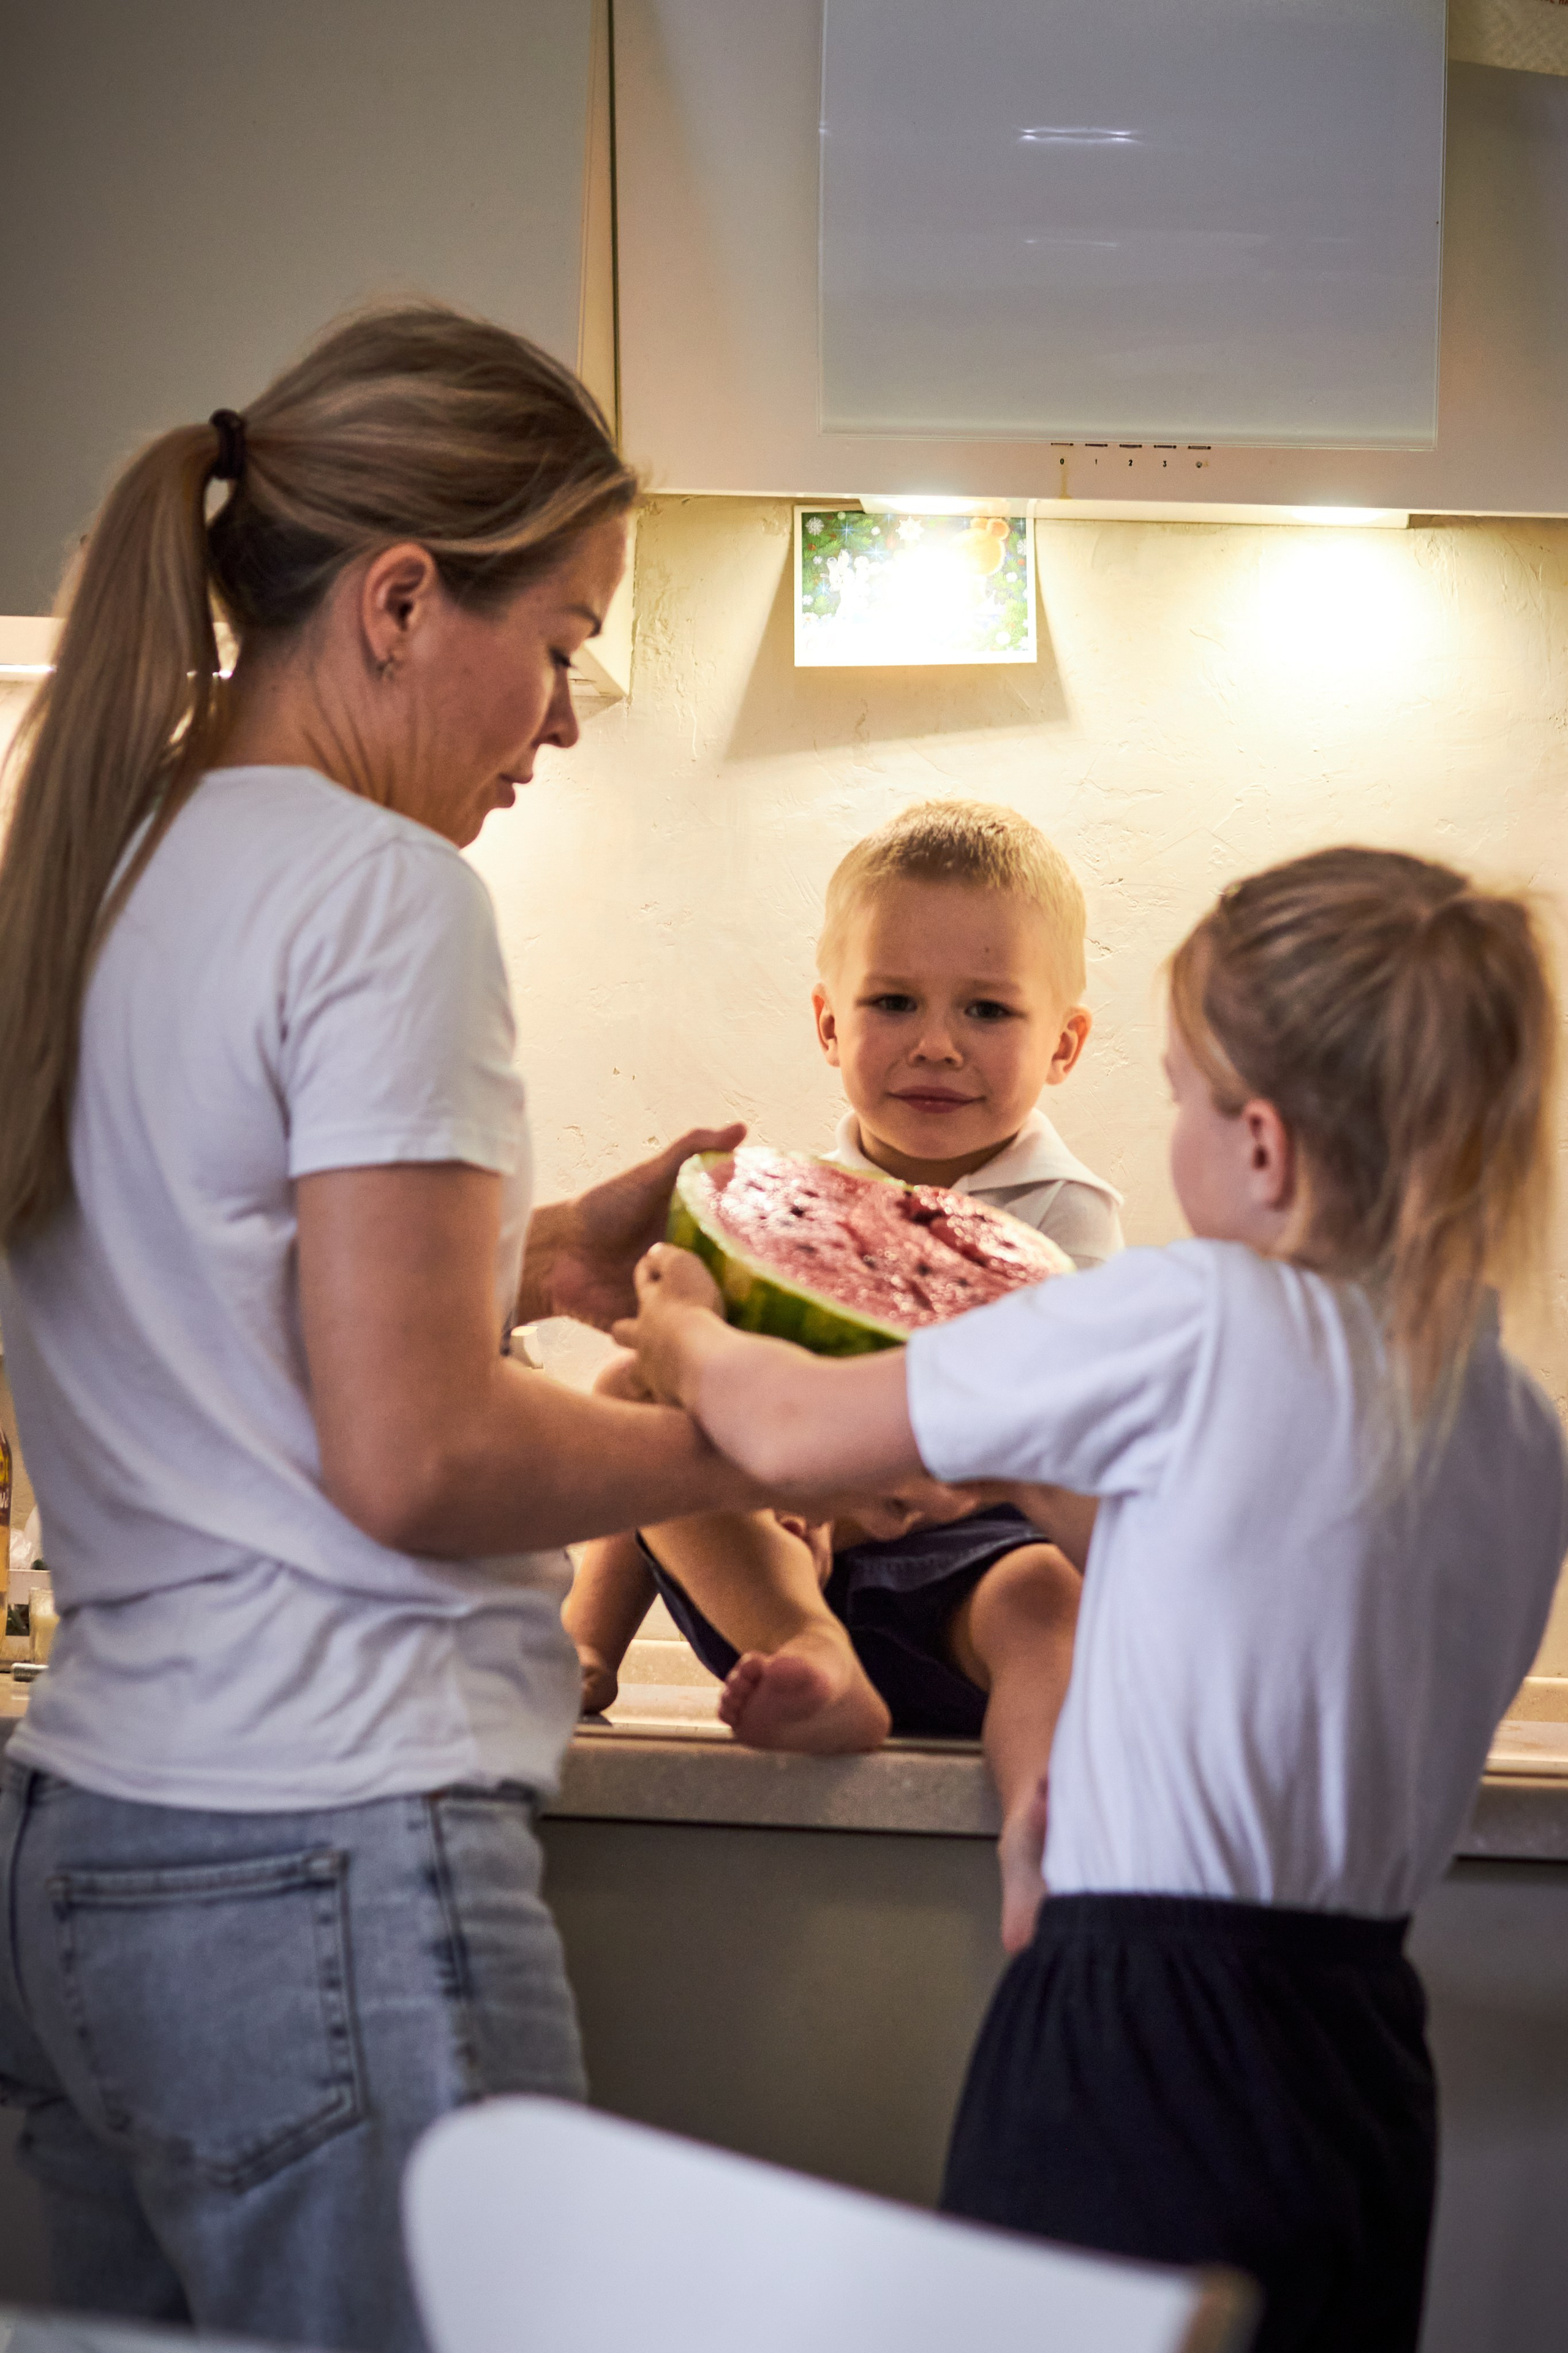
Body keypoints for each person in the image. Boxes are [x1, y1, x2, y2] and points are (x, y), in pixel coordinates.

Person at [0, 306, 895, 2353]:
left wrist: (539, 1258)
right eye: (565, 643)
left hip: (89, 1861)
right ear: (404, 600)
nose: (564, 717)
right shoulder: (388, 895)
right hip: (322, 1848)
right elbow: (417, 1465)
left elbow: (196, 1288)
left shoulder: (106, 855)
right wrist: (793, 1424)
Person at [614, 845, 1568, 2353]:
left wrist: (680, 1326)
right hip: (1362, 2048)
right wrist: (1015, 1488)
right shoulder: (1513, 1426)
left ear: (1259, 1143)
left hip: (1135, 2020)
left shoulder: (1184, 1311)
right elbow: (1230, 1575)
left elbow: (791, 1428)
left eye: (1183, 1096)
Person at [566, 805, 1121, 1902]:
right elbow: (741, 1406)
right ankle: (598, 1648)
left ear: (1064, 1041)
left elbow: (1055, 1446)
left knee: (1049, 1596)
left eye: (988, 1008)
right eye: (893, 1001)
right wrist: (796, 1495)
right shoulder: (788, 1204)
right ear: (828, 1022)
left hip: (977, 1570)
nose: (936, 1042)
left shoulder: (1071, 1218)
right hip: (790, 1594)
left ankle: (1048, 1831)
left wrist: (863, 1484)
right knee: (636, 1390)